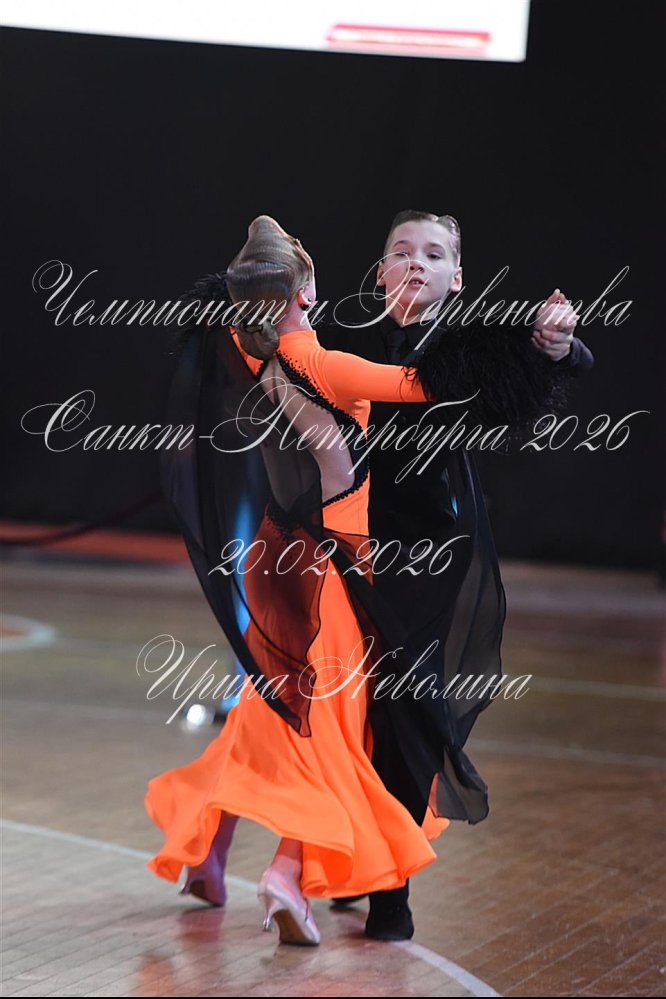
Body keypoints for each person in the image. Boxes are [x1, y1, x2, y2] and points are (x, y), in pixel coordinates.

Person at [145, 214, 469, 945]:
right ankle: (286, 873)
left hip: (275, 556)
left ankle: (207, 852)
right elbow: (421, 384)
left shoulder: (249, 348)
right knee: (331, 728)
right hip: (332, 570)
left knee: (269, 715)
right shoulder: (323, 363)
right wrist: (525, 348)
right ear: (306, 293)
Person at [315, 208, 595, 917]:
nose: (417, 262)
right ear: (380, 270)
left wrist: (556, 340)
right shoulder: (345, 338)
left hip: (428, 546)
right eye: (402, 251)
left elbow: (560, 359)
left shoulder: (469, 345)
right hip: (341, 542)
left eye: (434, 254)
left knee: (408, 701)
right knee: (348, 707)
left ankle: (392, 889)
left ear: (457, 277)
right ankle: (364, 856)